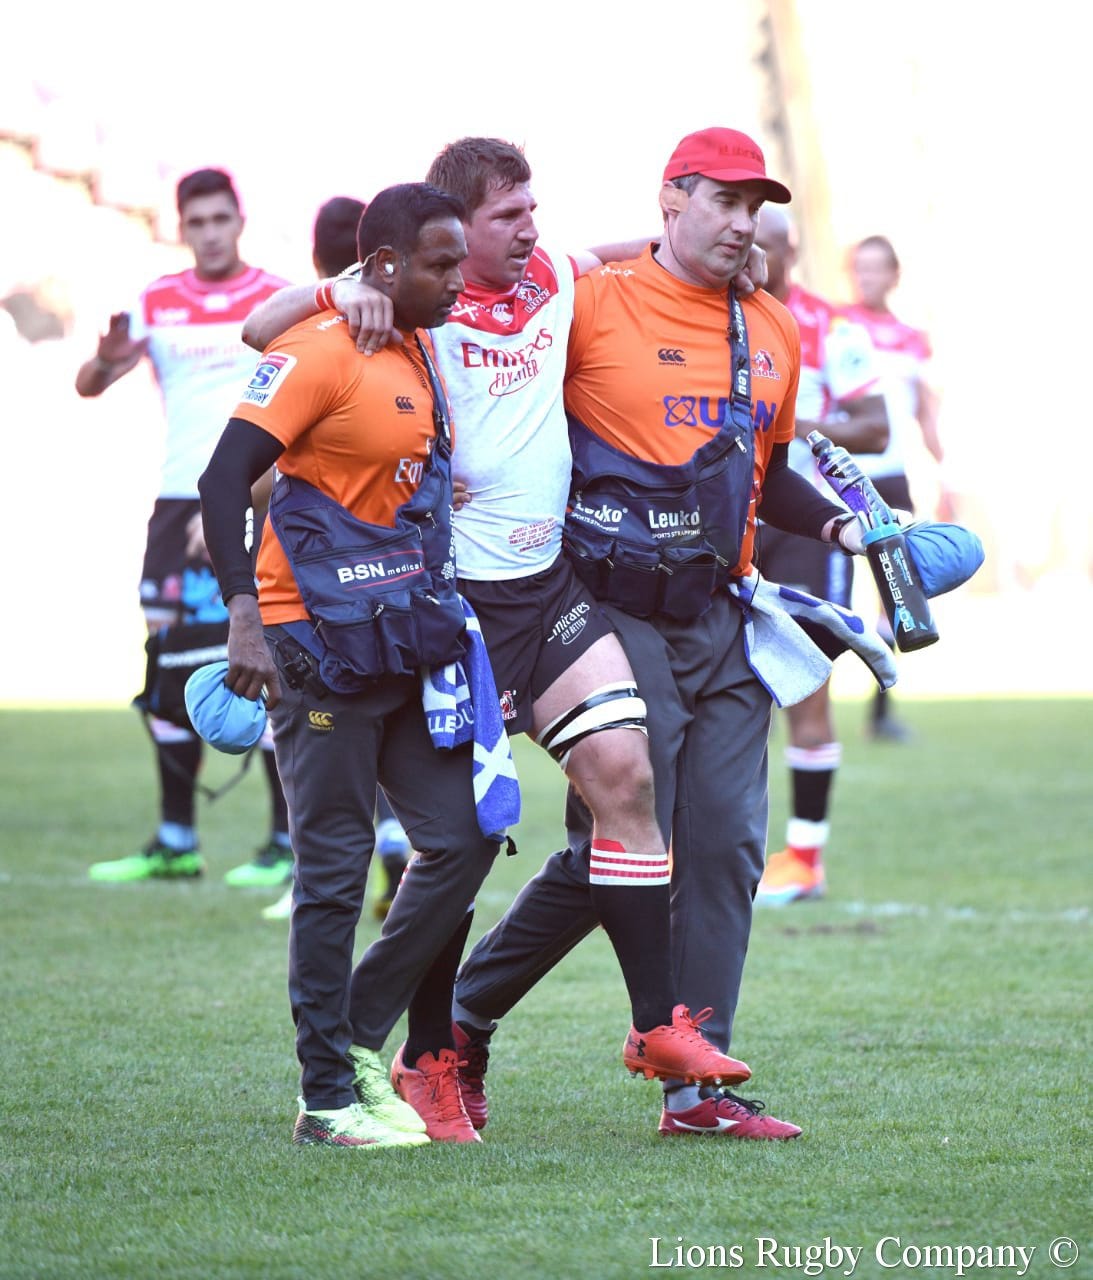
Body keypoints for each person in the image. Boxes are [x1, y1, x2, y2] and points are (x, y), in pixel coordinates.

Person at [242, 138, 762, 1127]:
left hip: (547, 590)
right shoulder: (408, 308)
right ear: (452, 230)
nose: (529, 230)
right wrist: (340, 288)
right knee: (461, 841)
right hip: (451, 610)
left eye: (532, 211)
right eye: (506, 217)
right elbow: (258, 327)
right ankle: (430, 1056)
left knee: (625, 774)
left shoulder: (555, 274)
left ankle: (658, 1027)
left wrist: (728, 251)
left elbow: (635, 249)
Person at [450, 127, 900, 1141]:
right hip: (603, 611)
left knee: (727, 844)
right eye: (723, 202)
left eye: (754, 207)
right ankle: (462, 1018)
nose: (742, 224)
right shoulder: (590, 300)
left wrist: (846, 526)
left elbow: (763, 469)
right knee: (622, 839)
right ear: (670, 199)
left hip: (722, 614)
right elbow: (478, 343)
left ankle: (694, 1089)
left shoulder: (770, 324)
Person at [199, 181, 505, 1147]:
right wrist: (243, 618)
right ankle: (327, 1100)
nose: (457, 281)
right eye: (441, 265)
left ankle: (356, 1038)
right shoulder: (319, 349)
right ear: (383, 265)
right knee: (334, 871)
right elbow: (221, 477)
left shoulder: (415, 343)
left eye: (459, 263)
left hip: (396, 636)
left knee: (461, 838)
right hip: (308, 642)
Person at [75, 168, 294, 888]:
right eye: (196, 222)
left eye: (219, 219)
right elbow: (90, 384)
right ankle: (176, 840)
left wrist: (246, 499)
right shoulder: (156, 301)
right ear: (181, 227)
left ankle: (283, 841)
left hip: (254, 494)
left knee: (266, 654)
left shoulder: (276, 297)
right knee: (164, 658)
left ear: (240, 221)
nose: (209, 233)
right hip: (176, 503)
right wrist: (106, 360)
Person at [258, 195, 413, 923]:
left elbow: (251, 476)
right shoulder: (334, 337)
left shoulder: (333, 335)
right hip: (380, 592)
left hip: (331, 598)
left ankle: (324, 865)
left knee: (337, 770)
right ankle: (382, 854)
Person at [751, 206, 889, 905]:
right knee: (714, 685)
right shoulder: (709, 316)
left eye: (765, 243)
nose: (748, 251)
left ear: (791, 252)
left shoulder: (832, 327)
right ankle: (709, 848)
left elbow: (875, 425)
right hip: (730, 523)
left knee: (805, 684)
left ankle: (804, 859)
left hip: (810, 525)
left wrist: (797, 425)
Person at [843, 234, 946, 741]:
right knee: (815, 589)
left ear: (894, 275)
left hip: (891, 478)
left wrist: (945, 472)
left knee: (896, 594)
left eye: (875, 267)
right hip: (836, 478)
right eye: (858, 267)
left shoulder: (913, 339)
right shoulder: (836, 326)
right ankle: (778, 707)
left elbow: (927, 413)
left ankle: (880, 713)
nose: (866, 276)